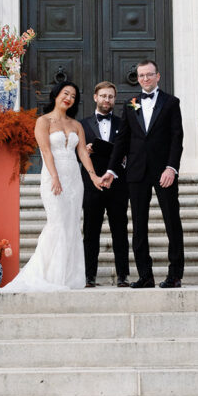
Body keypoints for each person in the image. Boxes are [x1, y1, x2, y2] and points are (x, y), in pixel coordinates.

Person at [0, 82, 104, 292]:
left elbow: (82, 152)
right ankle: (49, 275)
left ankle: (69, 277)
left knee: (72, 224)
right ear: (56, 95)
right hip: (53, 176)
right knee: (57, 223)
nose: (69, 98)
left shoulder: (76, 125)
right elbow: (46, 151)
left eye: (73, 95)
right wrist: (55, 177)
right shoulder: (43, 121)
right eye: (65, 93)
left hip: (74, 178)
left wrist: (94, 177)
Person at [102, 59, 184, 288]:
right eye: (141, 76)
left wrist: (172, 167)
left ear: (158, 76)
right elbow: (121, 141)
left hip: (163, 171)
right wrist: (111, 168)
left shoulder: (171, 102)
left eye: (149, 75)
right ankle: (145, 275)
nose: (145, 79)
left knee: (171, 221)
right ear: (137, 78)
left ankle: (175, 274)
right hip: (136, 172)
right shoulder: (131, 104)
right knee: (139, 224)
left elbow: (177, 138)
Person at [80, 81, 130, 288]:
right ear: (95, 97)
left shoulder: (123, 123)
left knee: (120, 232)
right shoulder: (82, 124)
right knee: (91, 232)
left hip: (118, 185)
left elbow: (129, 152)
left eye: (110, 97)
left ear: (114, 99)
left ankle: (123, 276)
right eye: (103, 96)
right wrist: (86, 151)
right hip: (92, 185)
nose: (106, 100)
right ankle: (88, 276)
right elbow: (76, 153)